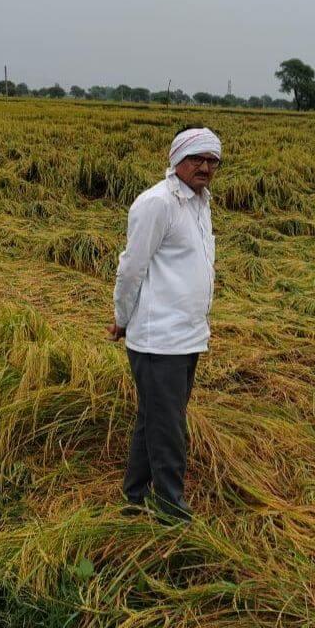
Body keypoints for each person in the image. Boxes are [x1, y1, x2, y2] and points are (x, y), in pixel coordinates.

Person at [107, 125, 221, 520]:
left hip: (188, 336)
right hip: (159, 341)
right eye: (197, 159)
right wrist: (122, 317)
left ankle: (134, 498)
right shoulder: (156, 203)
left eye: (212, 161)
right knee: (168, 428)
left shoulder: (200, 202)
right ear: (176, 160)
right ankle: (172, 508)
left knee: (153, 419)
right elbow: (131, 268)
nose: (205, 167)